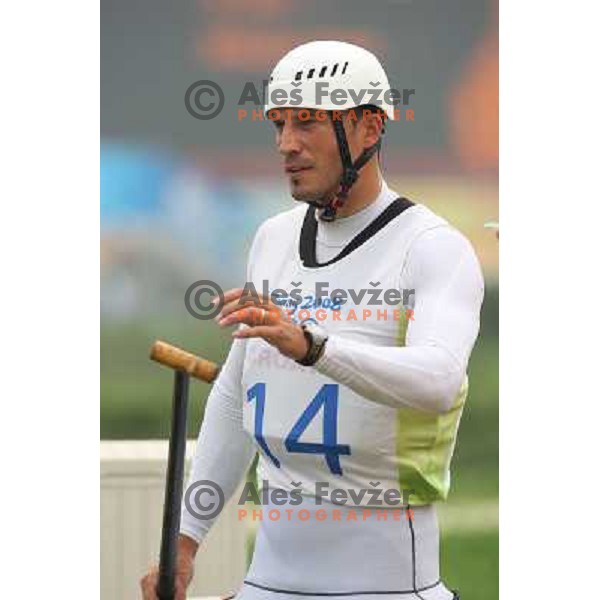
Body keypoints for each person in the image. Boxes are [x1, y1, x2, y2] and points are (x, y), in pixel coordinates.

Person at [141, 40, 484, 600]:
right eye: (278, 125)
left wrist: (314, 347)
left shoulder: (433, 248)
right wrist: (185, 538)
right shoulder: (272, 238)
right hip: (265, 585)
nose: (286, 145)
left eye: (307, 124)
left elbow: (439, 382)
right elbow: (235, 394)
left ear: (369, 129)